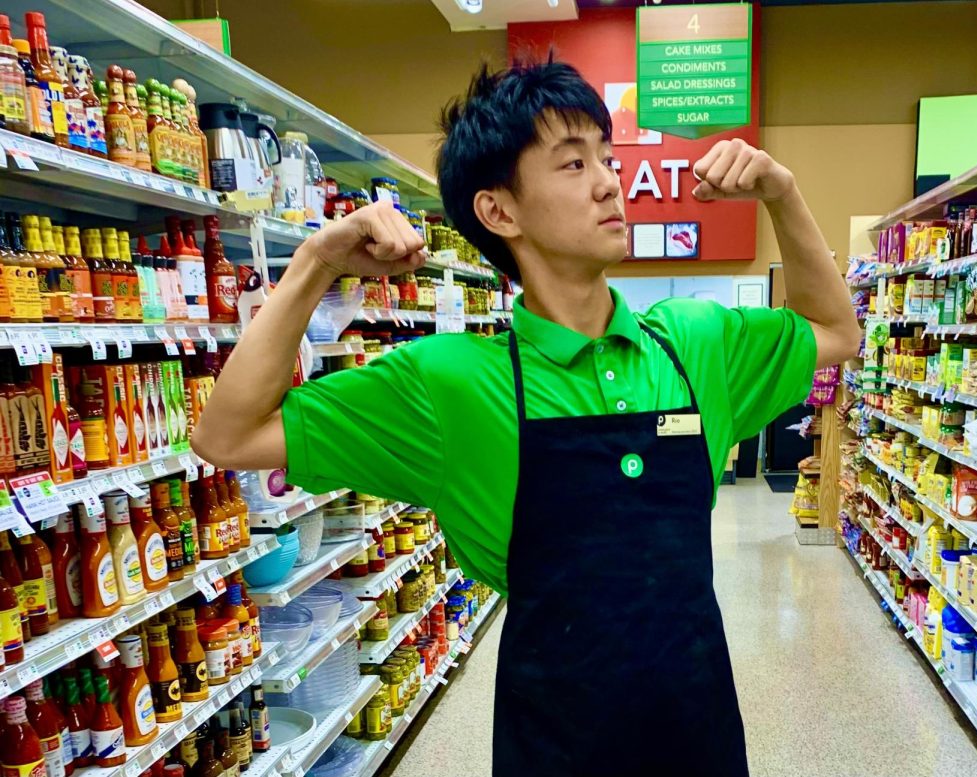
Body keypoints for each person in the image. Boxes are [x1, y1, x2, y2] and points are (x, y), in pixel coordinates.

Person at [193, 59, 858, 777]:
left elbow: (836, 333)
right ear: (499, 211)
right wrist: (317, 260)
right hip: (553, 750)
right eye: (573, 164)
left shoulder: (696, 341)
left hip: (701, 739)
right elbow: (226, 434)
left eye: (607, 157)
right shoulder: (452, 384)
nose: (610, 180)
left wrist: (782, 194)